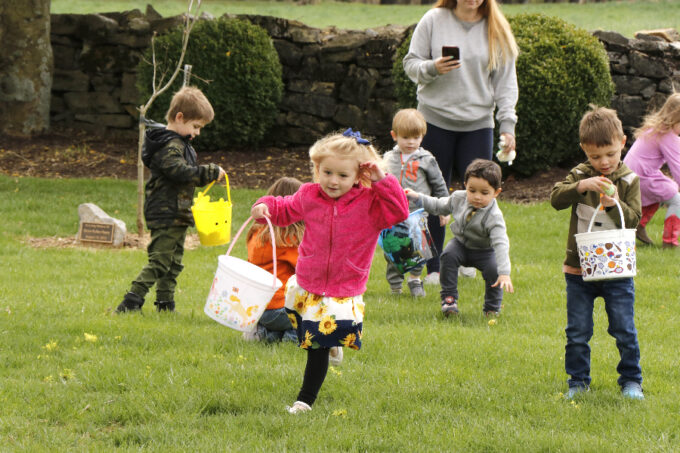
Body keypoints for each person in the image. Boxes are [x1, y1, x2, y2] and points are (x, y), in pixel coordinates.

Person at [250, 129, 409, 414]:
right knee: (308, 335)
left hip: (344, 286)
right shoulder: (309, 195)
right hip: (309, 283)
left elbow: (399, 211)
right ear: (317, 169)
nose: (333, 181)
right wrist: (264, 205)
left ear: (358, 175)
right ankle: (333, 343)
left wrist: (382, 180)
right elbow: (284, 208)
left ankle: (304, 401)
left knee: (317, 347)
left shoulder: (370, 204)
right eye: (327, 172)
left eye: (343, 175)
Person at [403, 0, 519, 285]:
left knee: (477, 195)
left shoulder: (496, 27)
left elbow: (505, 83)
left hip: (477, 125)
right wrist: (433, 67)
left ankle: (471, 258)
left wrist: (507, 126)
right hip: (434, 121)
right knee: (433, 194)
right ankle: (433, 268)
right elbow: (411, 64)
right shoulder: (434, 19)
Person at [550, 106, 644, 400]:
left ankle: (631, 380)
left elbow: (634, 221)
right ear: (584, 150)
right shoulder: (580, 174)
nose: (604, 162)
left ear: (623, 143)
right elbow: (555, 199)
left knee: (624, 329)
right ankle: (578, 381)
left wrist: (615, 204)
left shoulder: (628, 180)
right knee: (577, 331)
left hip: (617, 271)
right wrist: (581, 185)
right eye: (595, 156)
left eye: (610, 154)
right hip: (579, 271)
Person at [116, 86, 225, 313]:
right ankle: (131, 301)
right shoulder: (169, 146)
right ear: (179, 117)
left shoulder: (179, 143)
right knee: (160, 261)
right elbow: (179, 171)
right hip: (165, 212)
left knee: (173, 262)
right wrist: (209, 172)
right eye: (196, 126)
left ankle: (165, 304)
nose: (197, 133)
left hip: (177, 212)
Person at [406, 159, 513, 317]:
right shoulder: (458, 198)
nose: (477, 197)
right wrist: (418, 198)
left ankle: (492, 308)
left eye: (484, 193)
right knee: (448, 256)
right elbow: (438, 205)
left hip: (484, 251)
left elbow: (501, 244)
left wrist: (504, 272)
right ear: (465, 185)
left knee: (493, 270)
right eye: (472, 190)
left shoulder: (494, 217)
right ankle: (449, 300)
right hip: (460, 244)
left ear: (496, 193)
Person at [382, 108, 450, 297]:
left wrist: (444, 209)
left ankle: (415, 279)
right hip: (392, 214)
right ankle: (395, 286)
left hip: (418, 213)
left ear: (422, 136)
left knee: (420, 248)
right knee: (393, 249)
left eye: (416, 137)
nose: (411, 142)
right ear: (394, 136)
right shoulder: (388, 159)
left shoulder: (427, 160)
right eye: (405, 137)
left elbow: (439, 185)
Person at [245, 177, 304, 343]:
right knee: (315, 310)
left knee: (277, 325)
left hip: (257, 307)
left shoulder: (257, 233)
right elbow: (306, 270)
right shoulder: (290, 239)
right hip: (280, 307)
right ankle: (293, 339)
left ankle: (266, 333)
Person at [623, 92, 680, 248]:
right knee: (676, 199)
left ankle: (638, 225)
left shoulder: (656, 128)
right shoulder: (667, 135)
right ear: (676, 118)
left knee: (667, 188)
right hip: (642, 177)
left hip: (631, 175)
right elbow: (677, 167)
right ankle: (670, 242)